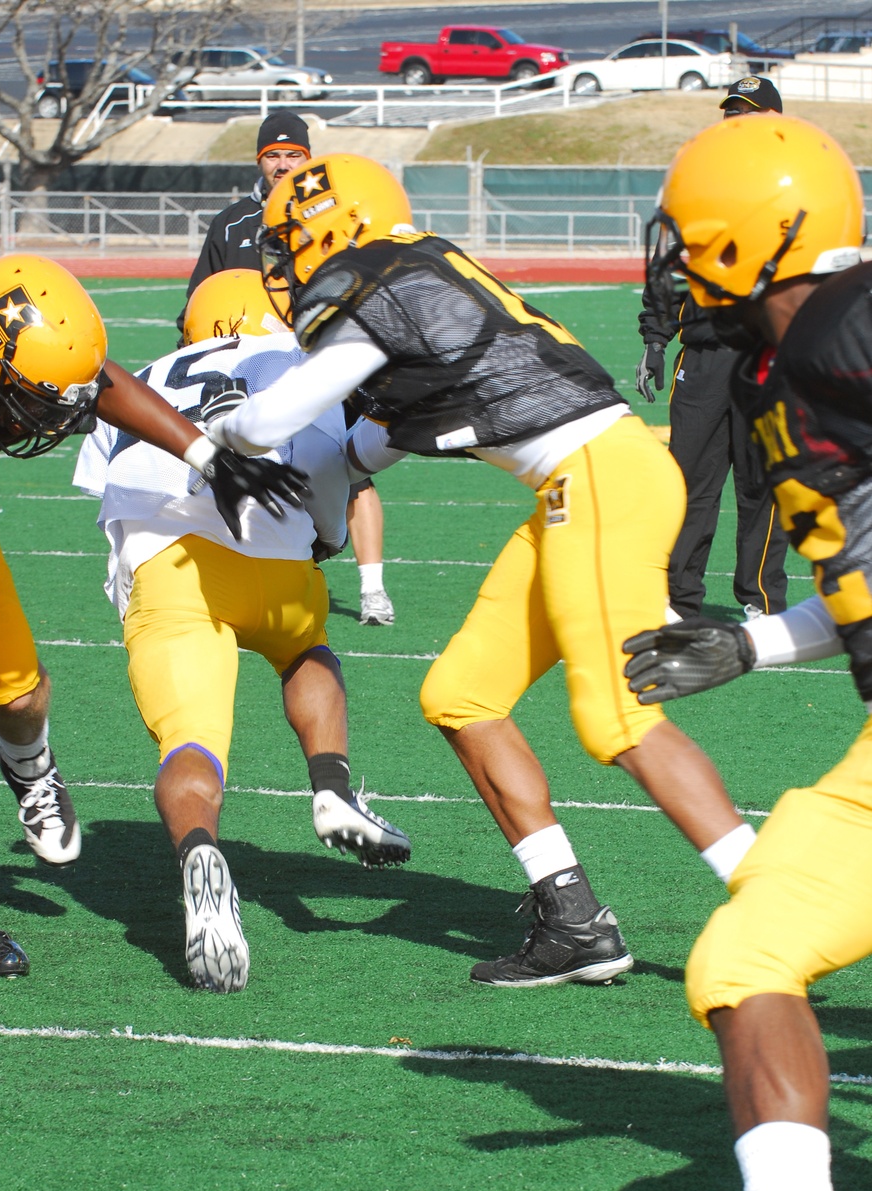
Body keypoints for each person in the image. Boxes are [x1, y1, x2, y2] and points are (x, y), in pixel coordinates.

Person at [193, 152, 758, 988]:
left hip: (602, 478)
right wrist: (321, 522)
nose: (282, 264)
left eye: (288, 241)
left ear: (332, 228)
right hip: (587, 482)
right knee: (461, 695)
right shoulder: (419, 290)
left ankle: (774, 891)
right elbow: (357, 449)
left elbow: (279, 415)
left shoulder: (382, 285)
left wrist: (218, 431)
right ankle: (573, 919)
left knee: (617, 716)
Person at [618, 113, 872, 1191]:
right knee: (745, 953)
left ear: (739, 235)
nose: (670, 261)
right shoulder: (785, 365)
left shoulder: (842, 323)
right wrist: (754, 644)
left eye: (686, 237)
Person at [0, 228, 277, 976]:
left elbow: (91, 380)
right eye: (30, 403)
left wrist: (200, 451)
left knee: (19, 688)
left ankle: (30, 771)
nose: (48, 425)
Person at [75, 269, 410, 991]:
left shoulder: (144, 376)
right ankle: (330, 785)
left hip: (171, 564)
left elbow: (101, 484)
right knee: (306, 648)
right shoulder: (291, 362)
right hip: (277, 556)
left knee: (190, 741)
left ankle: (200, 850)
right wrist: (324, 539)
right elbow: (325, 464)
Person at [179, 113, 396, 627]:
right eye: (272, 155)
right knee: (228, 460)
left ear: (308, 158)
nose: (282, 164)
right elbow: (199, 297)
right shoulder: (232, 221)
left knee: (349, 470)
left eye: (292, 155)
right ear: (259, 161)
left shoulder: (325, 211)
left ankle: (372, 589)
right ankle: (234, 570)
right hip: (243, 362)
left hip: (320, 355)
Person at [636, 76, 788, 623]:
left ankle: (761, 601)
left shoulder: (797, 185)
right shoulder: (698, 183)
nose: (734, 122)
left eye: (747, 112)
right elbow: (668, 270)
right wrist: (656, 339)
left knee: (761, 484)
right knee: (689, 483)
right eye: (730, 112)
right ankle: (679, 599)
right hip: (701, 358)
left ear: (774, 120)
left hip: (767, 359)